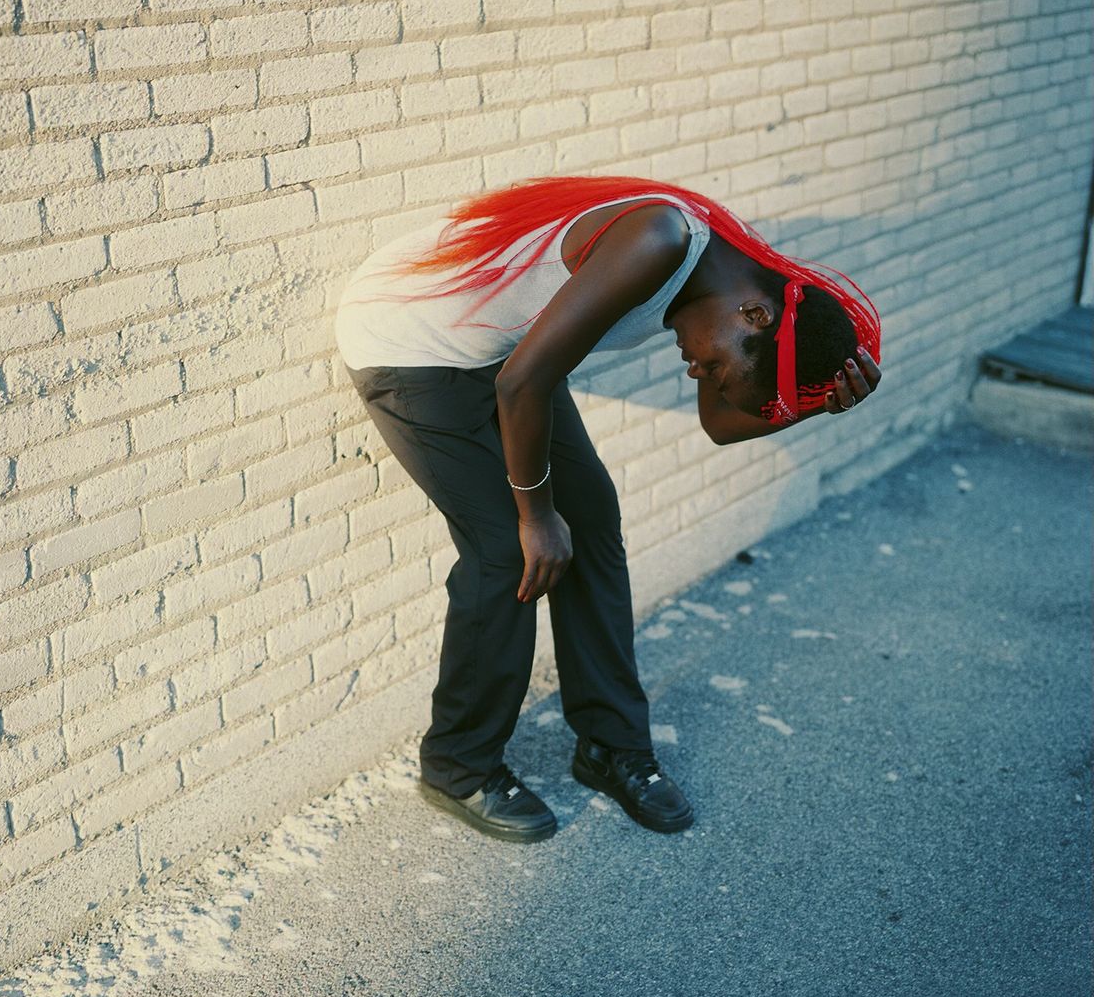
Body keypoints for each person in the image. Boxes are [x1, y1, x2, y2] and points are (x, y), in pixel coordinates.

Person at [334, 174, 882, 844]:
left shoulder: (735, 288)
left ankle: (611, 746)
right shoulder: (660, 239)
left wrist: (819, 403)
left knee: (590, 520)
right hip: (411, 339)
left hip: (500, 355)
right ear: (757, 318)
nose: (697, 375)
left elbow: (719, 423)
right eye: (715, 367)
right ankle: (457, 763)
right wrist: (535, 515)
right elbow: (522, 385)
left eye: (710, 374)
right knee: (509, 547)